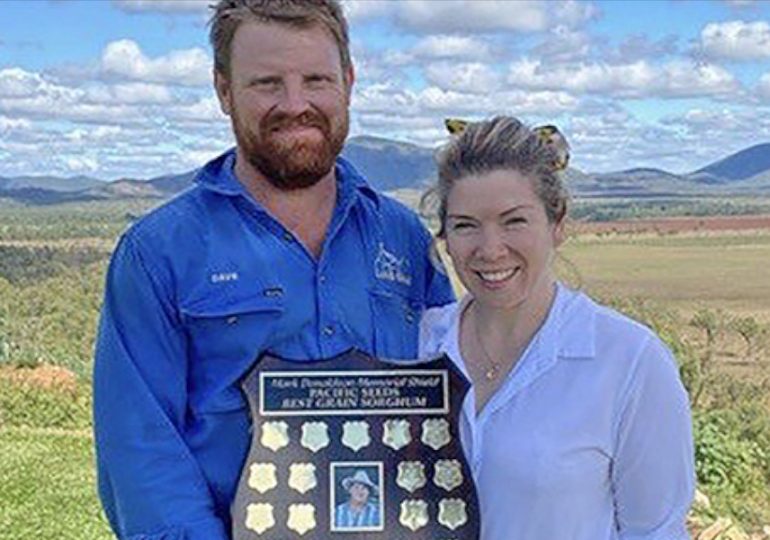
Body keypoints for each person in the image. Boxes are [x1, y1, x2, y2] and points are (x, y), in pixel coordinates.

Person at [92, 1, 453, 538]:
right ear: (223, 90)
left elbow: (453, 393)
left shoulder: (401, 236)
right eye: (266, 83)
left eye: (316, 79)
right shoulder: (157, 254)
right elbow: (141, 454)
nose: (295, 103)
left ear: (348, 82)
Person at [419, 116, 695, 540]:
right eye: (465, 225)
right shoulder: (420, 345)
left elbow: (655, 531)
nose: (490, 249)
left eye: (514, 221)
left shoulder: (629, 361)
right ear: (445, 236)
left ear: (558, 223)